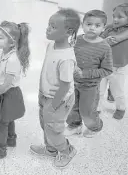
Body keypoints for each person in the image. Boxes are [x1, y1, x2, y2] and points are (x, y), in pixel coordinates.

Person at [30, 9, 80, 169]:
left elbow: (65, 85)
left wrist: (53, 104)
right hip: (45, 93)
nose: (48, 29)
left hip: (58, 98)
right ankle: (51, 149)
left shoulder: (66, 58)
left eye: (53, 27)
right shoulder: (52, 45)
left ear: (68, 31)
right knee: (46, 124)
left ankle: (66, 151)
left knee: (54, 129)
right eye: (48, 25)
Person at [0, 21, 30, 162]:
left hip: (9, 94)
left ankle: (1, 149)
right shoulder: (0, 53)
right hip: (2, 92)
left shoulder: (13, 60)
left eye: (0, 37)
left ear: (12, 43)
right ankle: (11, 139)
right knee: (7, 119)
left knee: (2, 122)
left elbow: (6, 86)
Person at [65, 10, 113, 138]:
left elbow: (107, 70)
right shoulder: (76, 40)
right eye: (89, 24)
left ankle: (95, 127)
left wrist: (85, 73)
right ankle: (75, 125)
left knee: (87, 111)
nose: (92, 28)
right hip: (72, 83)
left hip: (90, 87)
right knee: (71, 107)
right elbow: (68, 56)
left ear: (103, 28)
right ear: (83, 24)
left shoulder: (104, 47)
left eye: (97, 26)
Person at [99, 3, 128, 120]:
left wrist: (103, 39)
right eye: (114, 16)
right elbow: (99, 39)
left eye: (119, 17)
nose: (115, 19)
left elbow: (115, 39)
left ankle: (121, 108)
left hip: (118, 68)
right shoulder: (110, 28)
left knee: (117, 92)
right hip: (103, 65)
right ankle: (97, 108)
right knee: (98, 90)